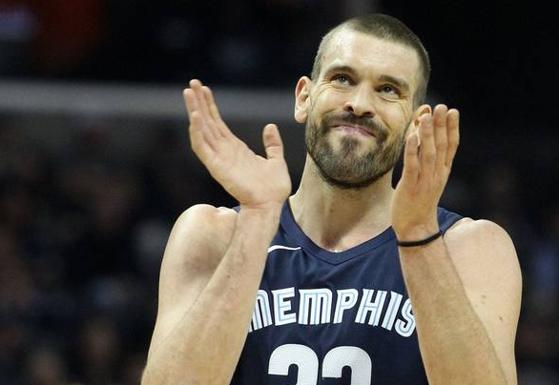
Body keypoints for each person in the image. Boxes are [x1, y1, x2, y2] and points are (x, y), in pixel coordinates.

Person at [141, 13, 522, 385]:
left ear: (415, 122)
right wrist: (258, 221)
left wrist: (419, 236)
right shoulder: (213, 233)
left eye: (388, 89)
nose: (359, 103)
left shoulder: (470, 248)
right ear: (304, 97)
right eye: (343, 78)